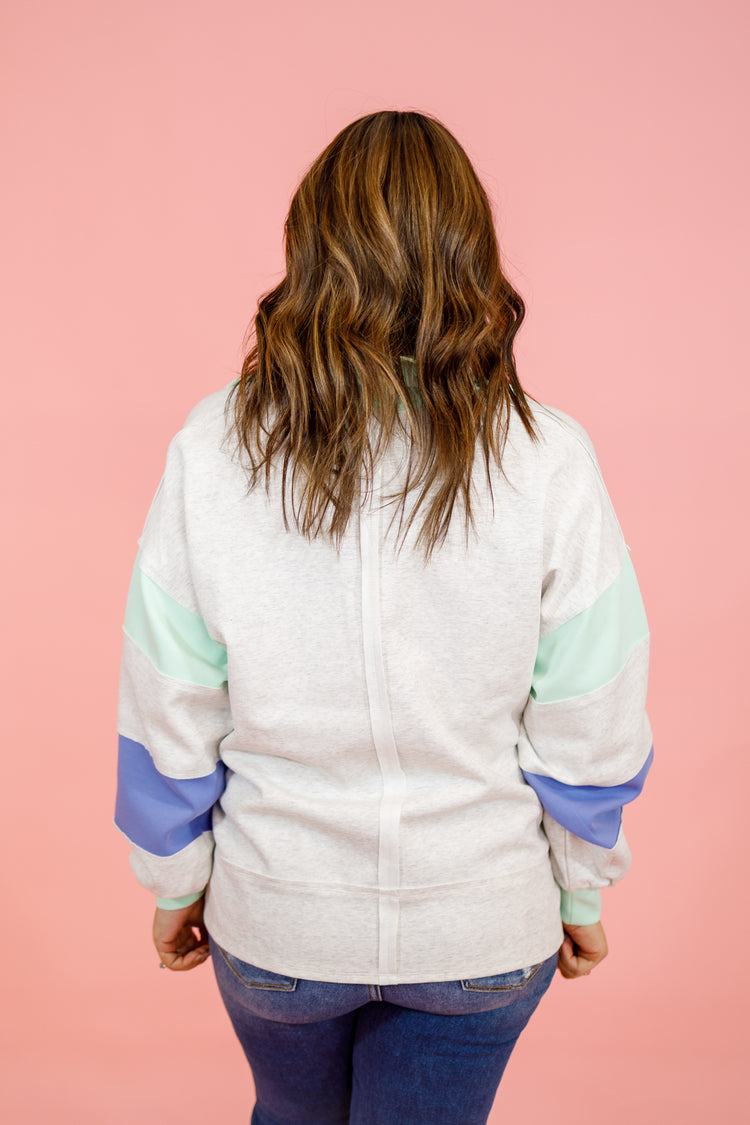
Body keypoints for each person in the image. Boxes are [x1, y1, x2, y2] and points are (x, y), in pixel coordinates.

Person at [115, 110, 653, 1125]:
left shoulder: (212, 447)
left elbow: (168, 696)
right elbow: (594, 708)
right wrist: (582, 887)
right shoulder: (549, 458)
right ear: (470, 255)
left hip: (277, 923)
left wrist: (176, 878)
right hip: (483, 929)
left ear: (311, 247)